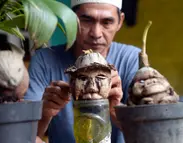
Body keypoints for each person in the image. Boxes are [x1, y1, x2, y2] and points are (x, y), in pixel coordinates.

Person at [24, 0, 141, 143]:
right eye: (86, 20)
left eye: (107, 22)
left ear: (120, 21)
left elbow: (148, 131)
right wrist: (45, 113)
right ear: (72, 19)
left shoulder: (131, 58)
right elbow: (22, 134)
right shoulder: (44, 60)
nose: (96, 33)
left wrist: (116, 110)